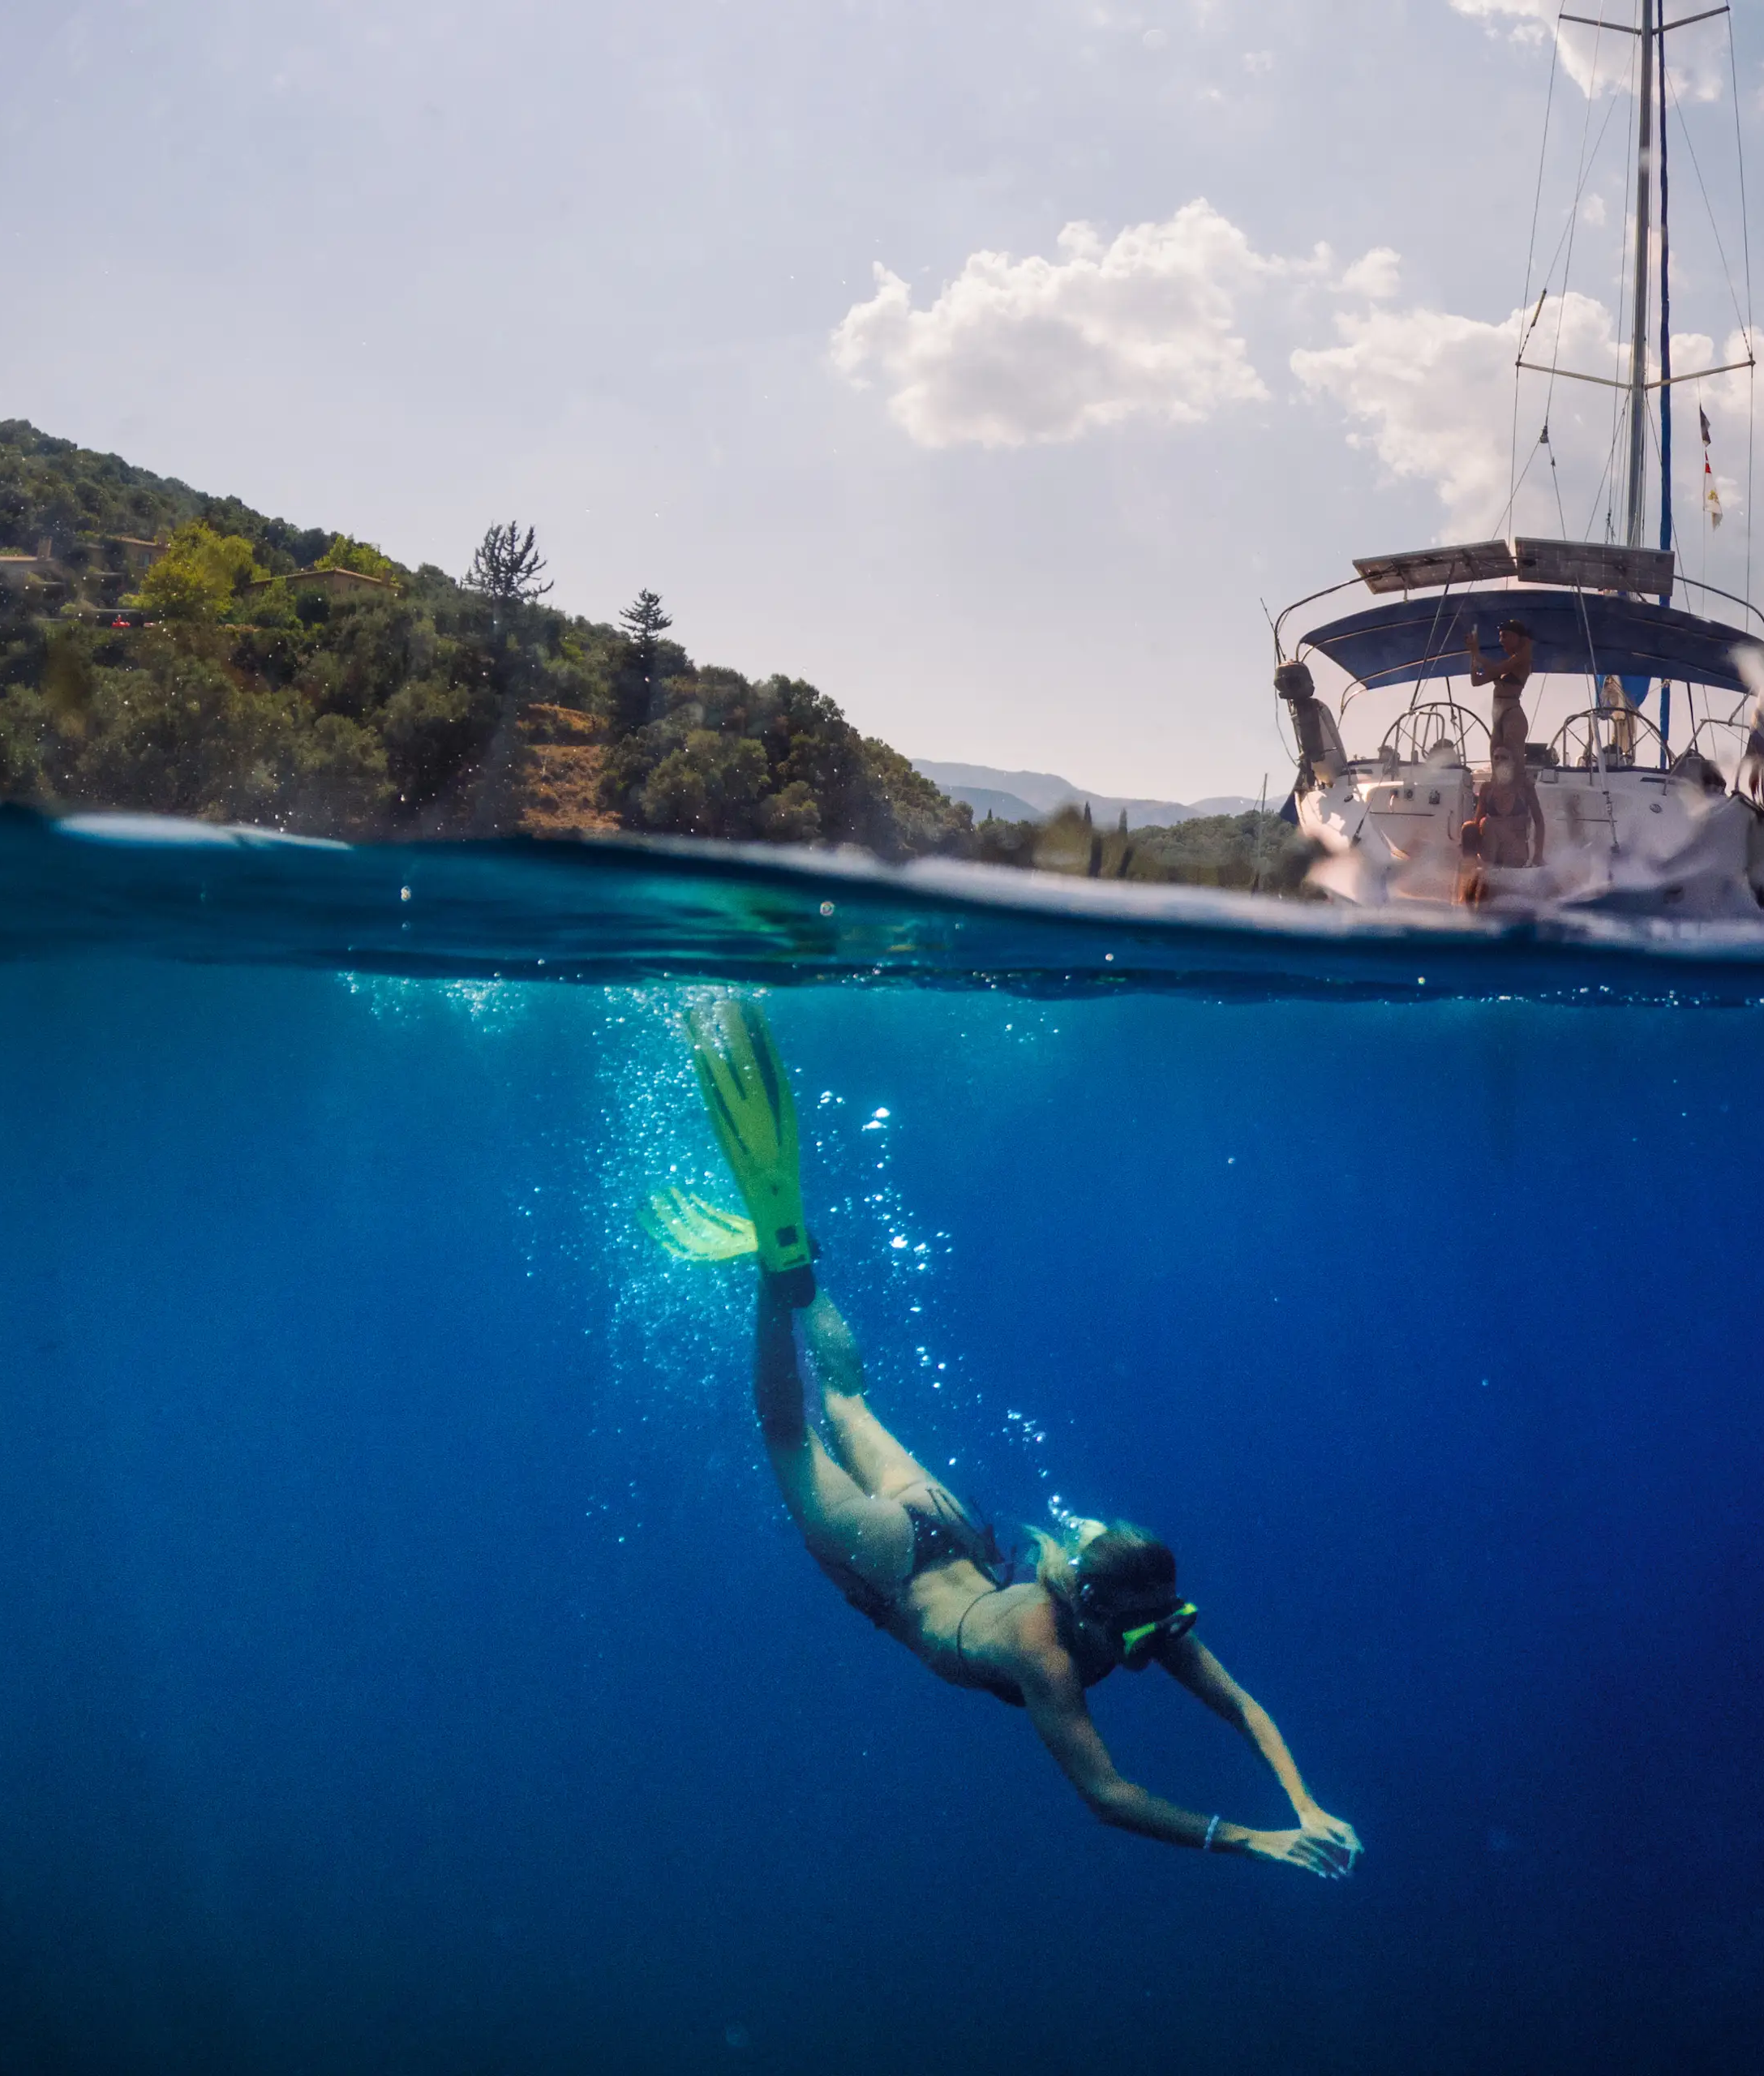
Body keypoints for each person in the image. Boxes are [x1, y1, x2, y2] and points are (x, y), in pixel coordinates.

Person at [645, 997, 1361, 1877]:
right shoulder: (1051, 1651)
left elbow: (1245, 1709)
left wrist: (1305, 1803)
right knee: (792, 1431)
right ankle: (775, 1273)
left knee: (851, 1402)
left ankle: (797, 1268)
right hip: (896, 1568)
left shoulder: (1142, 1612)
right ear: (1106, 1605)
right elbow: (1109, 1795)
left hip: (937, 1528)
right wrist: (1260, 1836)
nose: (1159, 1645)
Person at [1461, 617, 1547, 876]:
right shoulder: (1508, 662)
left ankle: (1519, 811)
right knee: (1497, 767)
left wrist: (1477, 653)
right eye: (1500, 636)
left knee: (1514, 767)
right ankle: (1485, 845)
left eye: (1505, 635)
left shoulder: (1523, 656)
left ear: (1519, 638)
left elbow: (1497, 669)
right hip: (1497, 716)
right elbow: (1476, 681)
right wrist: (1472, 657)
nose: (1501, 640)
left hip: (1511, 714)